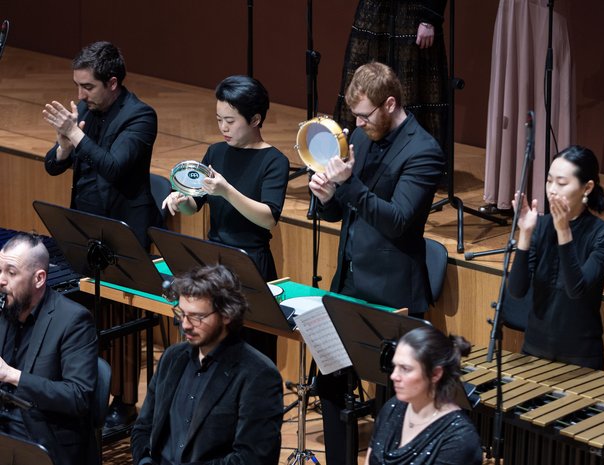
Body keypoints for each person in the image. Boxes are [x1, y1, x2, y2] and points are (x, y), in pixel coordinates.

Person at [309, 62, 444, 464]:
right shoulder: (363, 138)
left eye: (365, 115)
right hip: (348, 284)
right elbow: (346, 214)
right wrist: (328, 196)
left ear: (390, 103)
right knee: (330, 382)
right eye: (355, 115)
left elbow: (400, 222)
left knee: (395, 399)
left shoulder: (424, 151)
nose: (358, 122)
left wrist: (348, 187)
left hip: (392, 293)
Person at [42, 41, 160, 429]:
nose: (79, 96)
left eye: (87, 87)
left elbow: (113, 167)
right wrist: (63, 144)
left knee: (120, 316)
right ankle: (81, 391)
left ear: (112, 82)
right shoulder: (84, 111)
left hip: (123, 231)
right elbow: (53, 166)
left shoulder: (140, 116)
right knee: (84, 317)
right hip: (85, 227)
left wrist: (75, 138)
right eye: (77, 86)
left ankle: (125, 404)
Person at [161, 75, 289, 362]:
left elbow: (268, 218)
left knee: (250, 350)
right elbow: (195, 204)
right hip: (213, 262)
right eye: (219, 119)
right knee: (209, 347)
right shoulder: (216, 152)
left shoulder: (274, 161)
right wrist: (181, 201)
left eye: (230, 120)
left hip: (250, 263)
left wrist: (227, 191)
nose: (223, 127)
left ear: (255, 119)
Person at [131, 264, 283, 465]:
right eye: (182, 313)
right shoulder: (172, 358)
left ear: (227, 314)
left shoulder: (258, 375)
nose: (185, 324)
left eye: (196, 317)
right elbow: (143, 428)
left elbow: (252, 459)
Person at [509, 145, 604, 370]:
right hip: (533, 352)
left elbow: (576, 289)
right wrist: (525, 233)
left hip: (581, 360)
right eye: (549, 181)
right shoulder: (539, 226)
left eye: (561, 183)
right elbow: (516, 291)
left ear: (587, 187)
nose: (551, 190)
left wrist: (564, 232)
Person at [0, 233, 99, 465]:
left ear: (39, 278)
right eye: (0, 270)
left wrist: (12, 376)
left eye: (11, 273)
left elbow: (78, 397)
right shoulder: (6, 306)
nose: (1, 280)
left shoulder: (74, 320)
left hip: (42, 436)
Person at [481, 0, 574, 215]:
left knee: (547, 91)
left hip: (548, 9)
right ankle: (506, 192)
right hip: (514, 7)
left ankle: (548, 195)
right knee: (513, 84)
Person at [334, 0, 449, 155]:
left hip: (414, 13)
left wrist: (429, 19)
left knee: (412, 88)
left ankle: (411, 159)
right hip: (376, 9)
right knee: (365, 77)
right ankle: (354, 157)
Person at [365, 325, 482, 465]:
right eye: (394, 366)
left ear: (435, 374)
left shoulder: (459, 438)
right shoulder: (392, 407)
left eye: (405, 369)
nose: (394, 376)